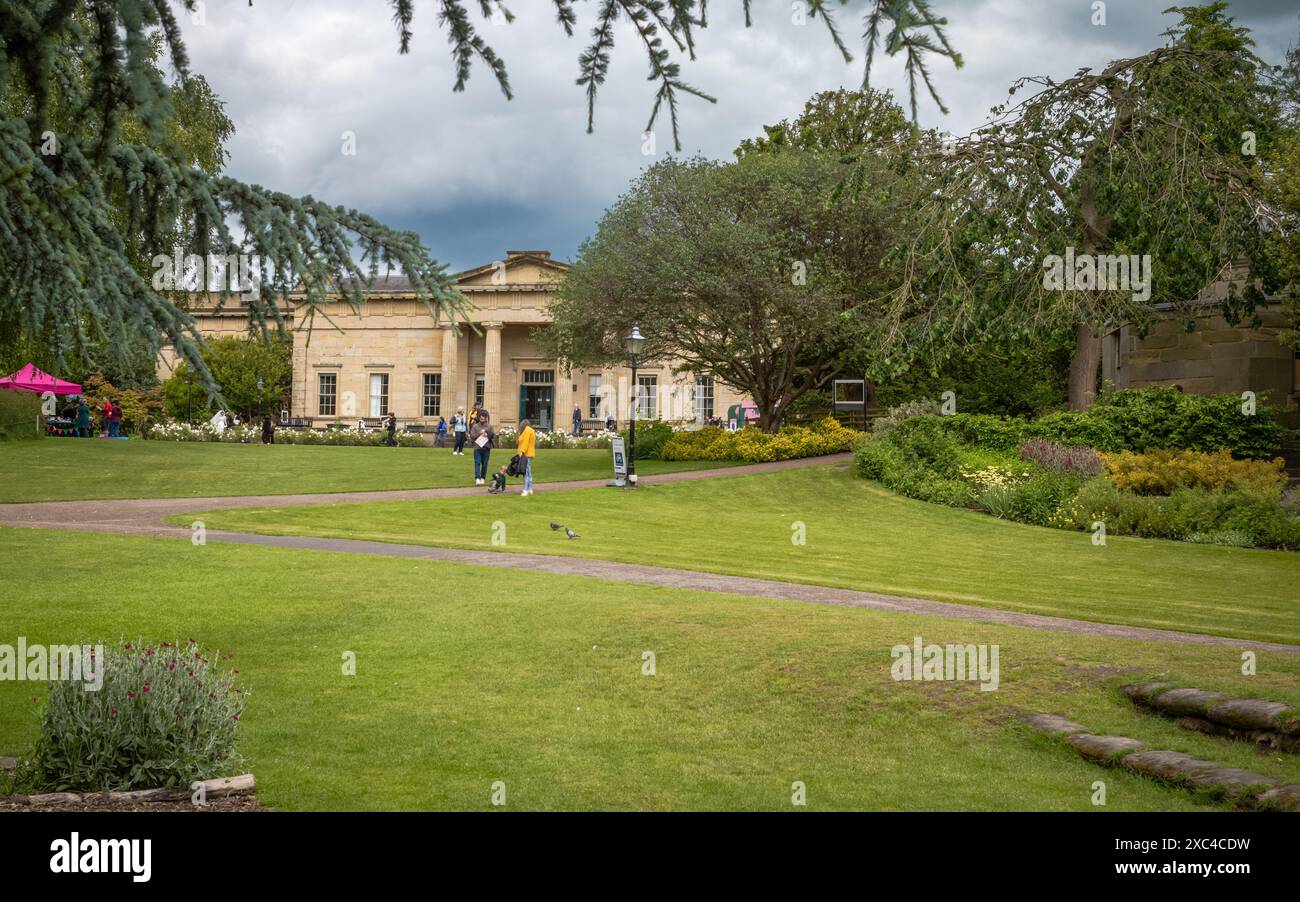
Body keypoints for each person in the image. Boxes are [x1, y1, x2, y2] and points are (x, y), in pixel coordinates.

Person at [469, 409, 496, 485]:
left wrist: (487, 434)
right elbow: (472, 436)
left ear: (486, 418)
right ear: (479, 418)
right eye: (481, 418)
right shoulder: (475, 426)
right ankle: (477, 478)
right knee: (477, 463)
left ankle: (483, 478)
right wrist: (479, 433)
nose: (482, 420)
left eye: (484, 418)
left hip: (486, 447)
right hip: (477, 447)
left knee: (485, 464)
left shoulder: (490, 426)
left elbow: (493, 435)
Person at [517, 417, 537, 496]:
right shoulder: (531, 430)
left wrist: (521, 451)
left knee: (526, 473)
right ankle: (529, 488)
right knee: (528, 472)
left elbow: (525, 442)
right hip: (530, 454)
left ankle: (525, 489)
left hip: (526, 454)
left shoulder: (527, 430)